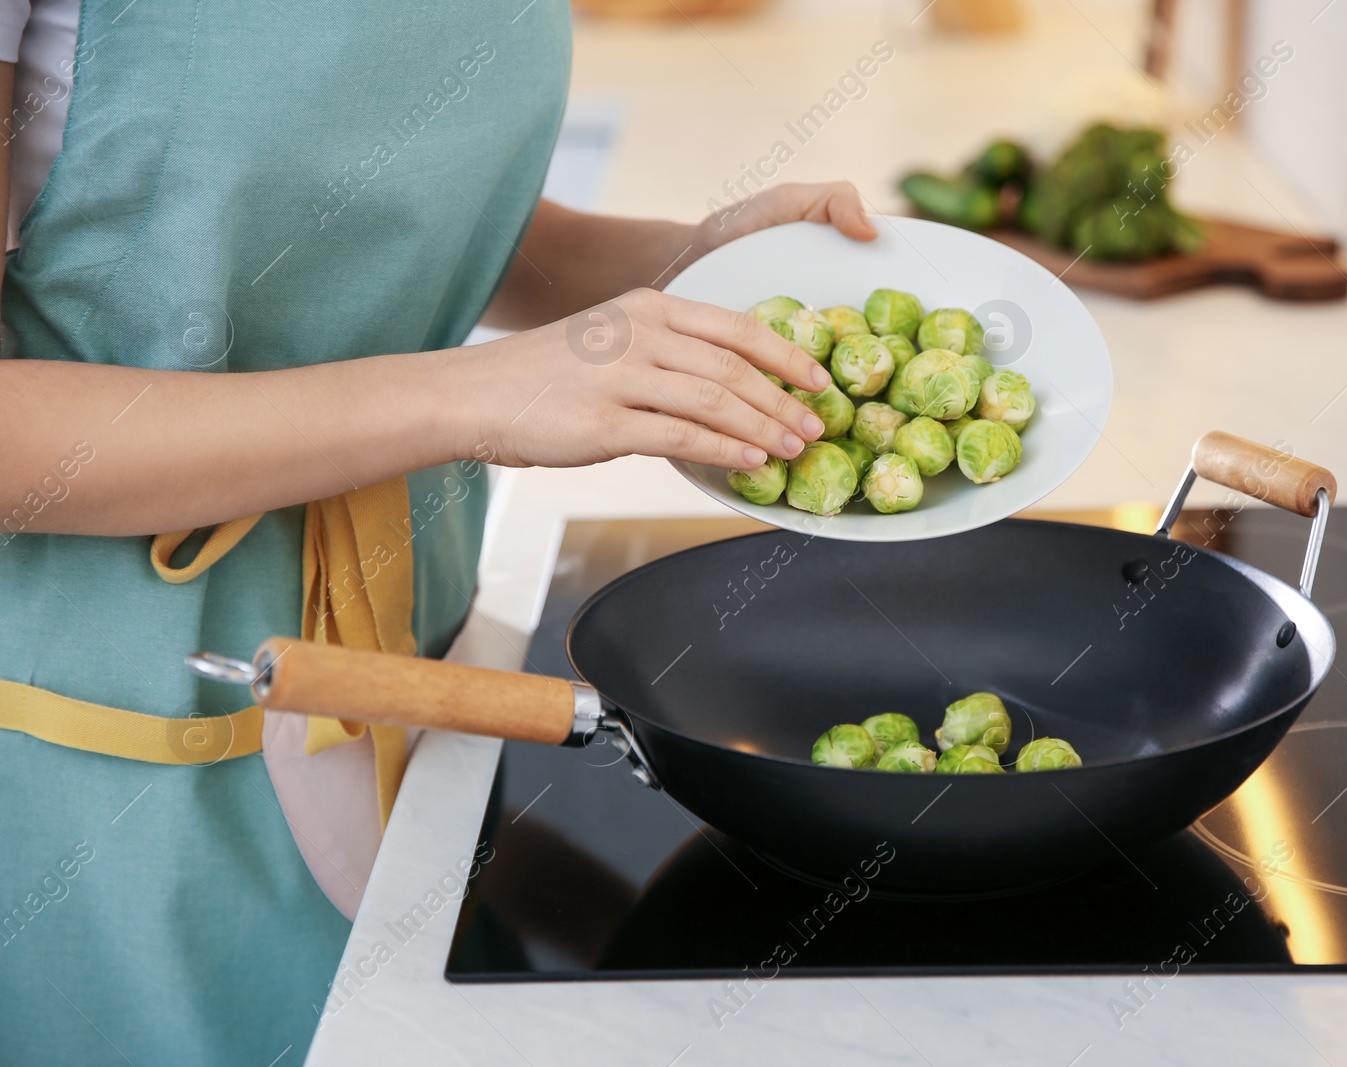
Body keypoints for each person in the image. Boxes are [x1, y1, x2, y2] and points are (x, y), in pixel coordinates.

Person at [0, 2, 875, 1063]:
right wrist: (469, 398)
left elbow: (409, 221)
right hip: (130, 753)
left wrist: (690, 266)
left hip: (422, 659)